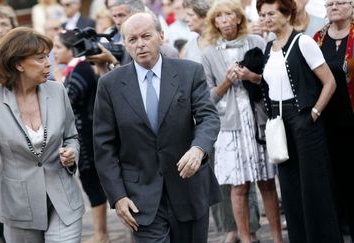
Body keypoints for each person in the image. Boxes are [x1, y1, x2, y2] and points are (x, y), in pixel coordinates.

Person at [93, 12, 222, 243]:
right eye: (132, 39)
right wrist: (118, 196)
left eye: (146, 36)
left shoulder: (189, 72)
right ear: (125, 44)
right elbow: (104, 148)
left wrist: (198, 149)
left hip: (188, 188)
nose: (140, 44)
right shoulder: (109, 85)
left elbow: (208, 117)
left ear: (161, 36)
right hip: (140, 197)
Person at [0, 27, 84, 243]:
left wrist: (72, 153)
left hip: (63, 201)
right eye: (40, 58)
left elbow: (72, 137)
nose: (48, 63)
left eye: (48, 56)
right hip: (19, 210)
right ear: (19, 64)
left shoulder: (58, 91)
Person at [257, 0, 342, 242]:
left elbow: (330, 83)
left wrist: (314, 113)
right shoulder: (268, 47)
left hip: (303, 117)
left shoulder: (303, 42)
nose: (267, 18)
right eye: (263, 14)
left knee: (313, 186)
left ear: (286, 13)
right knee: (290, 187)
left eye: (272, 13)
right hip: (279, 122)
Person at [201, 1, 282, 243]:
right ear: (214, 22)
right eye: (219, 16)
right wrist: (226, 81)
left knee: (267, 183)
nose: (224, 20)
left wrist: (250, 76)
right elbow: (207, 98)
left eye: (229, 15)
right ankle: (246, 239)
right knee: (239, 187)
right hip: (231, 128)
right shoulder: (209, 54)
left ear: (238, 18)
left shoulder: (256, 43)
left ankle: (278, 239)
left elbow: (272, 82)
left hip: (258, 123)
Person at [52, 30, 110, 243]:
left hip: (86, 134)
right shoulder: (74, 69)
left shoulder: (80, 69)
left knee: (91, 180)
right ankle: (101, 233)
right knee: (89, 180)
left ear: (71, 49)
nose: (54, 52)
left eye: (58, 47)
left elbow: (67, 99)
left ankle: (101, 234)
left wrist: (58, 83)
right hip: (82, 132)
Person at [313, 0, 354, 240]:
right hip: (327, 120)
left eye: (341, 2)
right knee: (334, 177)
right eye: (330, 3)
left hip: (351, 117)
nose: (334, 6)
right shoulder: (317, 38)